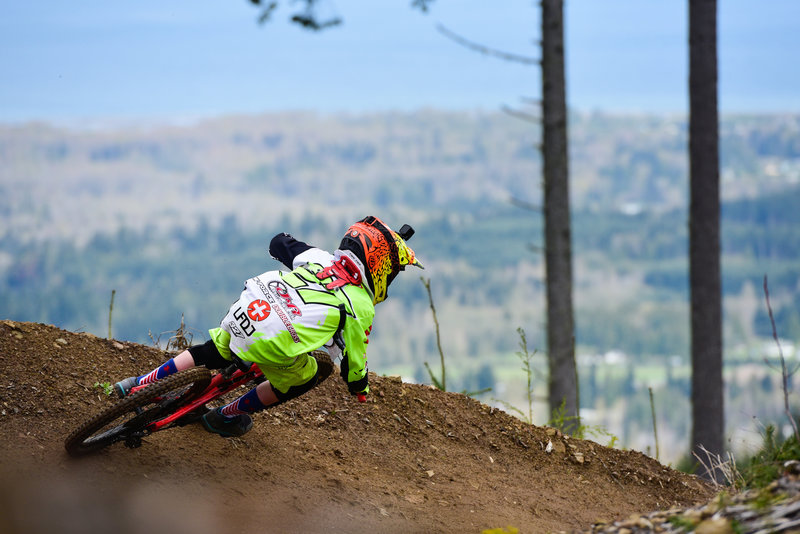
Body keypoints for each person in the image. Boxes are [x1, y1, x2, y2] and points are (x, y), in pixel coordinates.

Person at [114, 216, 422, 438]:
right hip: (274, 343)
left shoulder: (318, 258)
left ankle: (138, 384)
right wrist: (360, 389)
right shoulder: (361, 306)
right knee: (300, 378)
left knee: (213, 349)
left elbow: (279, 242)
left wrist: (289, 247)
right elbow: (355, 363)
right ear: (378, 266)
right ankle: (224, 416)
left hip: (248, 310)